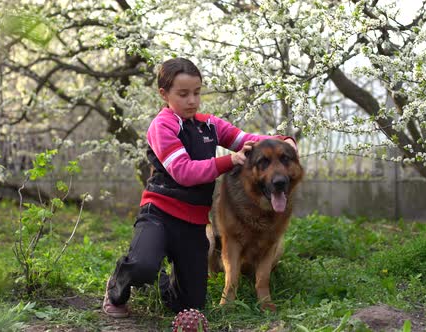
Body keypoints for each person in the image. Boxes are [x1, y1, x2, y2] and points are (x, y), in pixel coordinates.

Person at [102, 57, 297, 318]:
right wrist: (228, 160)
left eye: (196, 92)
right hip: (158, 214)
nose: (192, 100)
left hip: (192, 223)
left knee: (190, 303)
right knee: (143, 266)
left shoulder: (210, 124)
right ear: (164, 94)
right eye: (183, 94)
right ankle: (117, 287)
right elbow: (183, 171)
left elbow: (246, 139)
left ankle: (158, 283)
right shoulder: (162, 126)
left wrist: (284, 140)